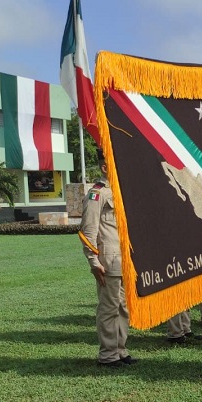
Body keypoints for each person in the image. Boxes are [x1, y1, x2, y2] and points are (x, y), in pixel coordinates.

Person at [78, 149, 134, 367]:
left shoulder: (118, 192)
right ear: (104, 167)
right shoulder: (96, 194)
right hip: (108, 261)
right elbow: (88, 231)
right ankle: (108, 354)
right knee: (109, 308)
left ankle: (120, 350)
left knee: (123, 307)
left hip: (123, 260)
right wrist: (94, 261)